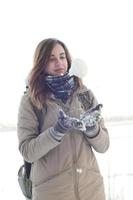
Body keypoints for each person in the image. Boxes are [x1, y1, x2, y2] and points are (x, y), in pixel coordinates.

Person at [17, 38, 109, 200]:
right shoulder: (31, 100)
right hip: (52, 193)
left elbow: (103, 146)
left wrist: (92, 129)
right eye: (51, 59)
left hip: (91, 190)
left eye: (62, 56)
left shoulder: (85, 94)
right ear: (41, 63)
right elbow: (28, 151)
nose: (59, 62)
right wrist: (56, 132)